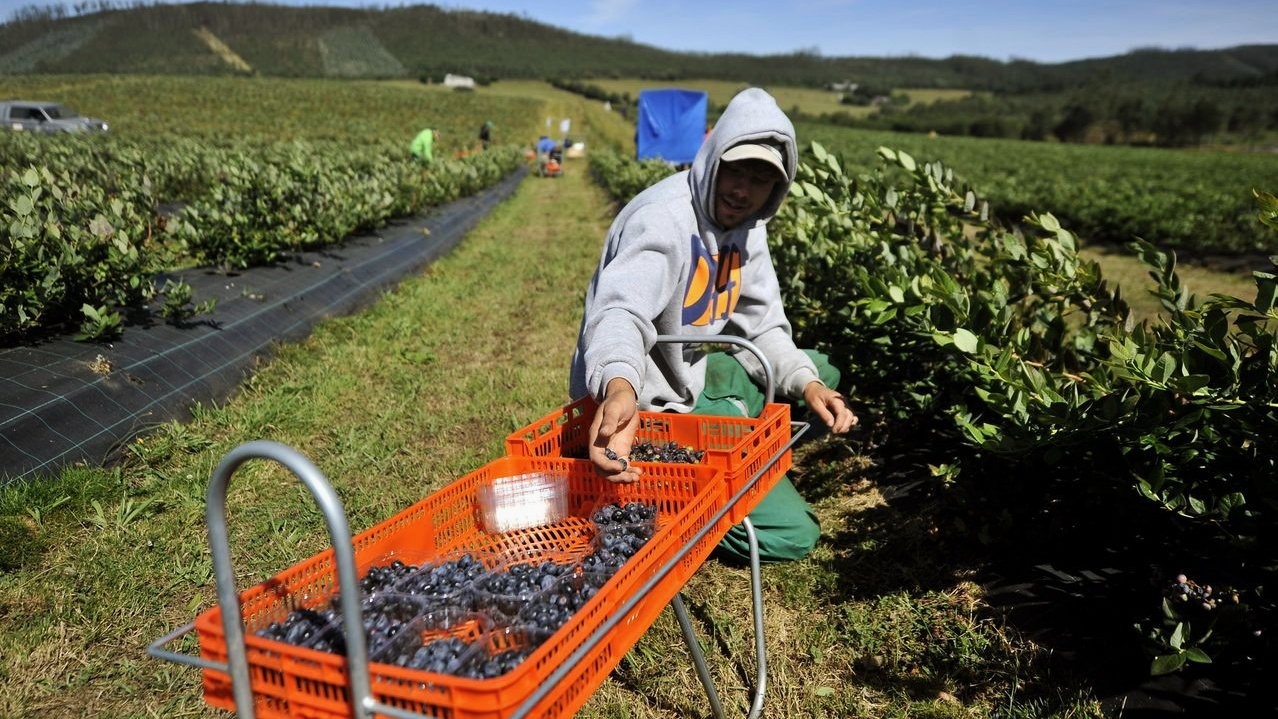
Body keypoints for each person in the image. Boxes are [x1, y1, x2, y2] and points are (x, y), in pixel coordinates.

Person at [568, 87, 857, 564]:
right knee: (791, 535)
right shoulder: (662, 219)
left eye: (760, 179)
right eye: (735, 170)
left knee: (820, 374)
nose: (742, 190)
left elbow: (763, 326)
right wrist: (618, 388)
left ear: (776, 189)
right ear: (712, 158)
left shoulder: (749, 228)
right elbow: (620, 311)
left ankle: (731, 449)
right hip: (644, 405)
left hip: (694, 369)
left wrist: (805, 384)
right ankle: (678, 502)